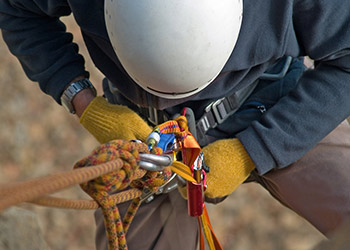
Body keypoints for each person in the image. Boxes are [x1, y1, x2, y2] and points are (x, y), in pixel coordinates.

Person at [1, 0, 350, 249]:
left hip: (271, 98)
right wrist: (86, 104)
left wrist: (253, 151)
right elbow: (16, 9)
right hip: (144, 134)